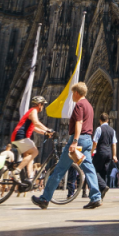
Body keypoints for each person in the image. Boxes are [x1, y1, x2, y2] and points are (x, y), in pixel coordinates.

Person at [33, 82, 103, 210]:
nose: (72, 96)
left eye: (72, 93)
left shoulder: (79, 105)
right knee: (89, 168)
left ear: (76, 93)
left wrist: (75, 141)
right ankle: (96, 197)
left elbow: (79, 123)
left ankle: (44, 199)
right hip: (88, 139)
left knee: (59, 169)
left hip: (78, 140)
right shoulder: (89, 105)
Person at [11, 95, 56, 185]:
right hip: (20, 137)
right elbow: (36, 122)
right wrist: (48, 129)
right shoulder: (33, 111)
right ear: (39, 105)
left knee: (29, 158)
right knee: (35, 152)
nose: (43, 107)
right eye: (43, 105)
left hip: (18, 137)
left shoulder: (31, 112)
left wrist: (45, 133)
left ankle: (29, 179)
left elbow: (34, 128)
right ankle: (16, 171)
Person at [92, 112, 117, 200]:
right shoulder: (112, 130)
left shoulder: (99, 129)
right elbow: (114, 144)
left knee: (93, 170)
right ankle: (101, 194)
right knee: (104, 172)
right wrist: (114, 155)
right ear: (108, 120)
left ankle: (103, 186)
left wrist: (91, 151)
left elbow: (95, 141)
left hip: (101, 152)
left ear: (100, 120)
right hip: (109, 154)